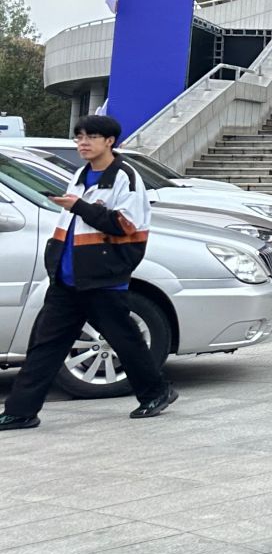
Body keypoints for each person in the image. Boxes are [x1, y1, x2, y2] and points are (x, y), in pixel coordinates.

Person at [0, 115, 174, 435]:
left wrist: (79, 206)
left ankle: (156, 392)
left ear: (109, 141)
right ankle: (20, 411)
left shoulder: (125, 177)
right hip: (67, 278)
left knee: (124, 341)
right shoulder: (81, 174)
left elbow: (126, 225)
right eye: (79, 137)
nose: (83, 143)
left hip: (102, 277)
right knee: (44, 346)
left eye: (91, 137)